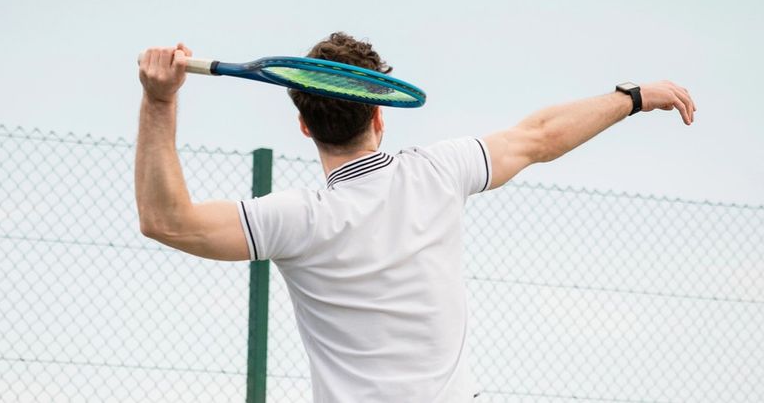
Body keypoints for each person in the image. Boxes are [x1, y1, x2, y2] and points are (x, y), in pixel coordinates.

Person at [135, 32, 696, 402]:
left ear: (304, 125)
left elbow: (168, 220)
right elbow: (541, 137)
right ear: (382, 113)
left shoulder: (294, 219)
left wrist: (160, 101)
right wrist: (634, 96)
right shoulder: (440, 172)